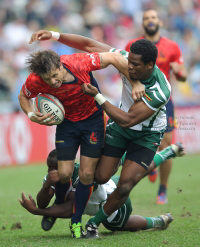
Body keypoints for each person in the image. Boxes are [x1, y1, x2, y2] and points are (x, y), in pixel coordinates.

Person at [29, 30, 172, 238]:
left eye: (135, 65)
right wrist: (54, 35)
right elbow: (88, 44)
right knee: (100, 176)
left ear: (149, 66)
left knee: (125, 186)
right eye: (128, 61)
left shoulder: (160, 91)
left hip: (146, 135)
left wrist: (98, 96)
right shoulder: (127, 61)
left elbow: (128, 119)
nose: (128, 67)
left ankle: (93, 225)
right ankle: (131, 163)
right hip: (120, 131)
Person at [19, 144, 184, 236]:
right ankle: (167, 152)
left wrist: (37, 211)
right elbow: (42, 202)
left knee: (119, 225)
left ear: (67, 166)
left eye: (53, 168)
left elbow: (72, 209)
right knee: (134, 172)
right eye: (48, 168)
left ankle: (157, 220)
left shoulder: (82, 175)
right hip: (111, 183)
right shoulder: (53, 176)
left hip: (112, 204)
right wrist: (47, 186)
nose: (50, 172)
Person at [125, 9, 187, 205]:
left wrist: (180, 72)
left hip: (164, 103)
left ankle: (163, 188)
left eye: (153, 17)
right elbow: (126, 70)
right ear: (143, 23)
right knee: (134, 141)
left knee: (165, 146)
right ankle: (149, 166)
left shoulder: (172, 47)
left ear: (159, 21)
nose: (150, 21)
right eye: (146, 18)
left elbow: (182, 75)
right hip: (140, 100)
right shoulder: (132, 46)